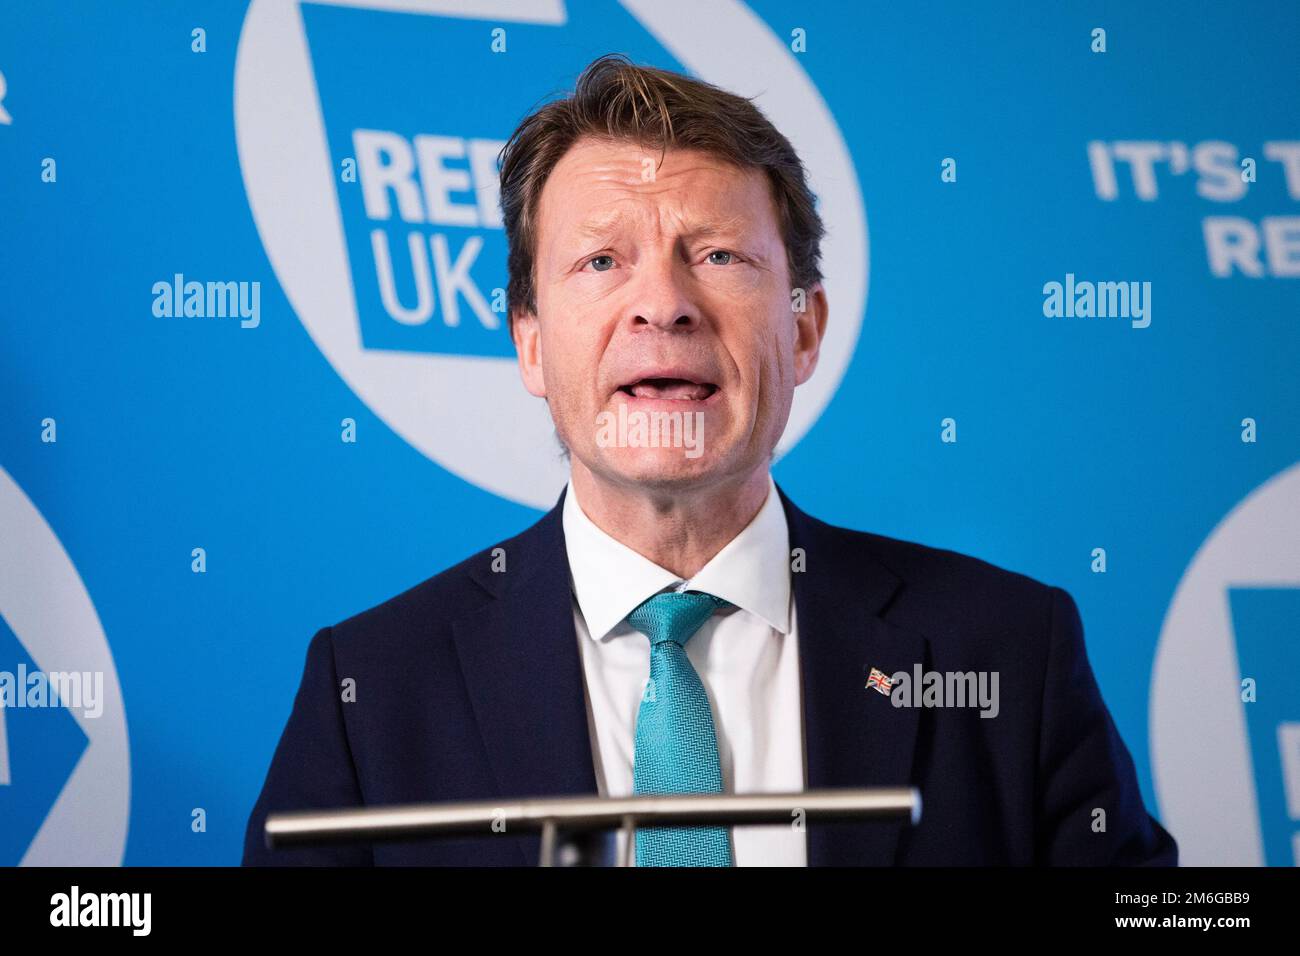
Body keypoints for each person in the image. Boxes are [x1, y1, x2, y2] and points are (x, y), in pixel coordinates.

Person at [243, 53, 1177, 867]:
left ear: (804, 329)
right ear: (528, 341)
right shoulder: (369, 691)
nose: (664, 306)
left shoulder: (1011, 652)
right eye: (602, 261)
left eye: (720, 255)